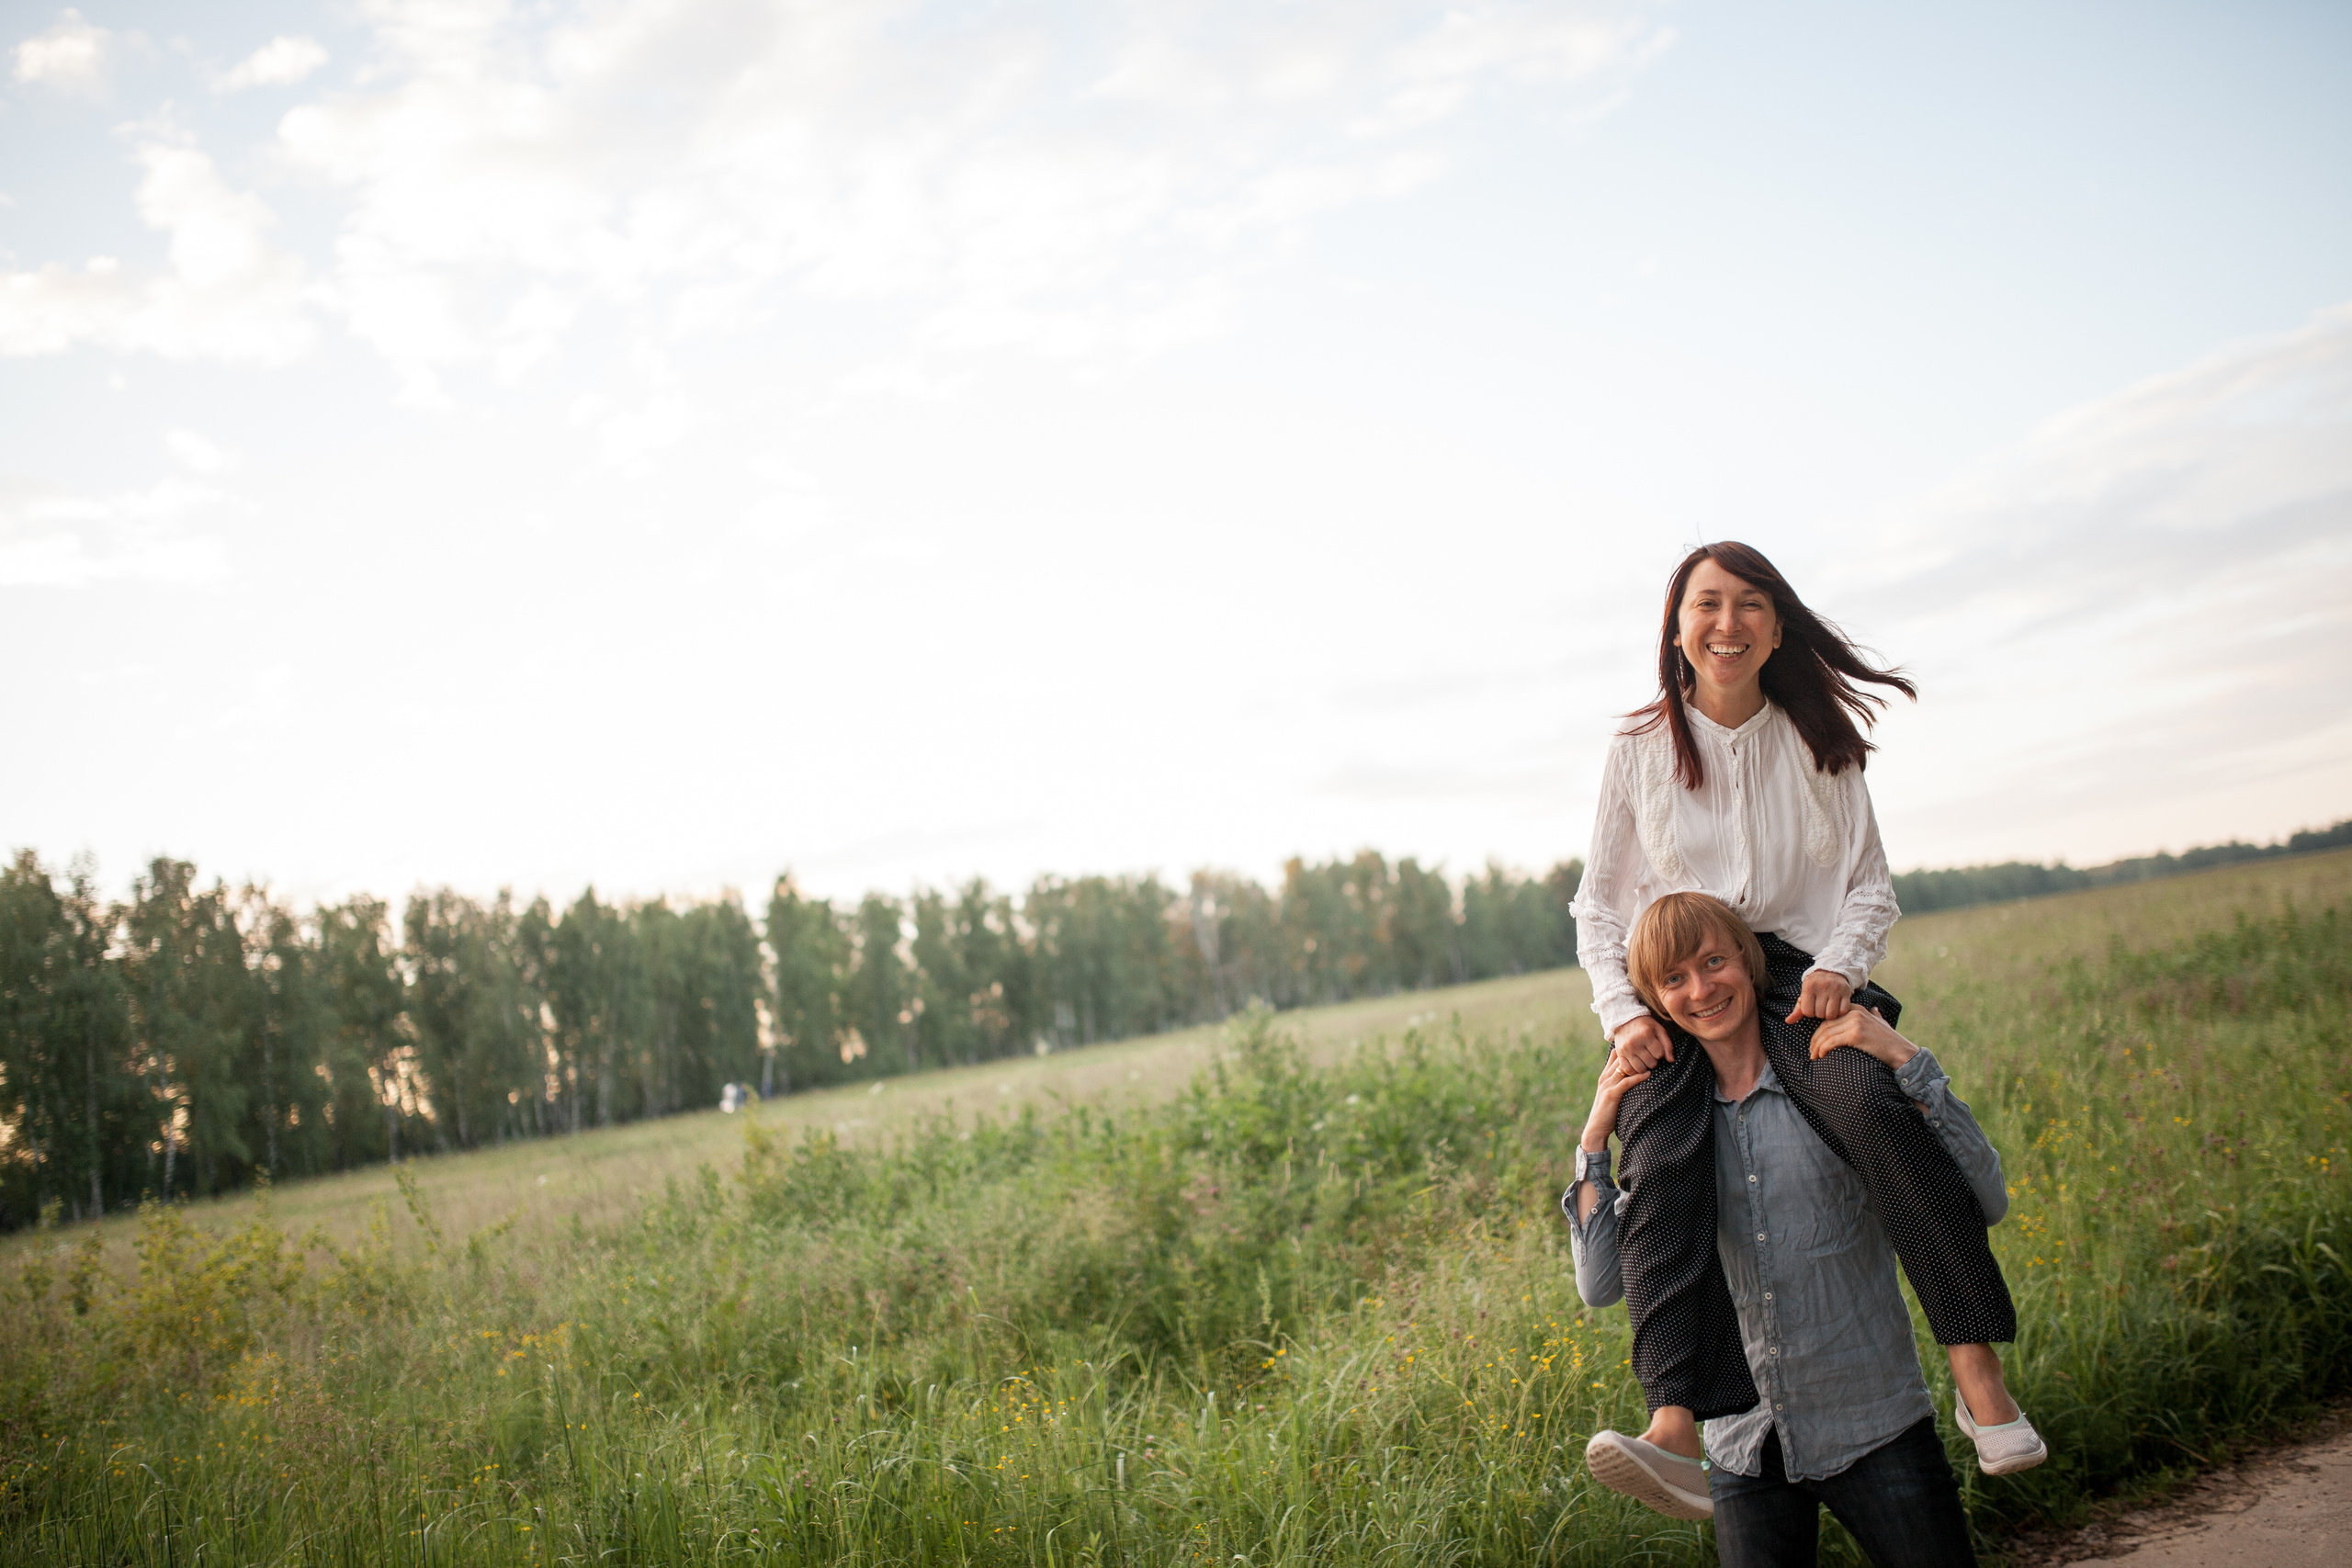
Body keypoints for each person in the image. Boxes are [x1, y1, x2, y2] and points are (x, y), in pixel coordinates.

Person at [1566, 542, 2035, 1495]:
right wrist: (1624, 1014)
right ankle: (1674, 1427)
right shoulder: (1636, 751)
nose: (1726, 623)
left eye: (1748, 605)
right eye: (1707, 604)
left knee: (1868, 1103)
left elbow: (1867, 887)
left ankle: (1976, 1372)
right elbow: (1598, 909)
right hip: (1684, 983)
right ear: (1677, 626)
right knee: (1657, 1156)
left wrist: (1836, 970)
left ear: (1776, 627)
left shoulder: (1818, 740)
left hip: (1795, 978)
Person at [1566, 893, 2044, 1562]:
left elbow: (1985, 1198)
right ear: (1651, 1000)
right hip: (1743, 1446)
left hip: (1876, 1426)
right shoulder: (1671, 1138)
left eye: (1714, 963)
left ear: (1750, 962)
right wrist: (1595, 1137)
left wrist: (1906, 1058)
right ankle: (1668, 1429)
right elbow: (1601, 1285)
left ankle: (1981, 1377)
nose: (1701, 990)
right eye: (1674, 978)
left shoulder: (1839, 1091)